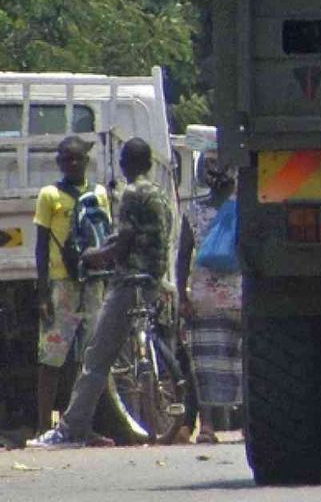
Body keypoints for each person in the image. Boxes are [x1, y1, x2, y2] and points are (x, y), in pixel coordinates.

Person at [30, 138, 172, 449]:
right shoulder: (160, 194)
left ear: (124, 163)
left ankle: (70, 429)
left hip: (128, 282)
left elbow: (123, 238)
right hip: (151, 279)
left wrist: (95, 255)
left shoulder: (131, 193)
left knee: (96, 358)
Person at [31, 136, 112, 438]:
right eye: (67, 160)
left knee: (89, 358)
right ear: (59, 163)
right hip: (61, 283)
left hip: (93, 283)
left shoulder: (100, 194)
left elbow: (106, 236)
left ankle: (80, 426)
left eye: (77, 158)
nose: (73, 164)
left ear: (87, 161)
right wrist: (42, 293)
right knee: (51, 357)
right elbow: (40, 246)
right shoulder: (49, 195)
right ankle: (43, 425)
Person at [175, 154, 241, 443]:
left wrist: (182, 296)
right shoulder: (244, 210)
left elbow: (182, 259)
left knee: (205, 363)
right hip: (239, 294)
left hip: (203, 295)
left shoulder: (192, 212)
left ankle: (208, 426)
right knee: (241, 360)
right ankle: (249, 425)